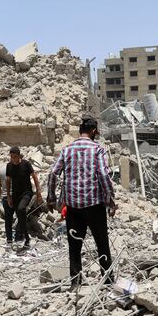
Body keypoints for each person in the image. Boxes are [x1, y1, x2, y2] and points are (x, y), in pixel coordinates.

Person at [48, 117, 116, 289]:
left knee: (74, 246)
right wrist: (110, 200)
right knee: (102, 243)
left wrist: (51, 198)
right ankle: (107, 281)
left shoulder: (67, 149)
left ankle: (75, 283)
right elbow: (102, 174)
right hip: (94, 206)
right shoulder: (98, 150)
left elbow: (53, 174)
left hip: (73, 208)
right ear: (93, 131)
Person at [5, 147, 42, 248]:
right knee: (20, 216)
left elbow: (34, 177)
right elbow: (8, 181)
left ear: (19, 155)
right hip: (16, 195)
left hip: (27, 193)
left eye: (15, 157)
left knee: (21, 209)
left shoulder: (26, 164)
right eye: (11, 157)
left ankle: (25, 238)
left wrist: (38, 193)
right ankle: (26, 238)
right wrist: (8, 196)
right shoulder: (9, 166)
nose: (13, 159)